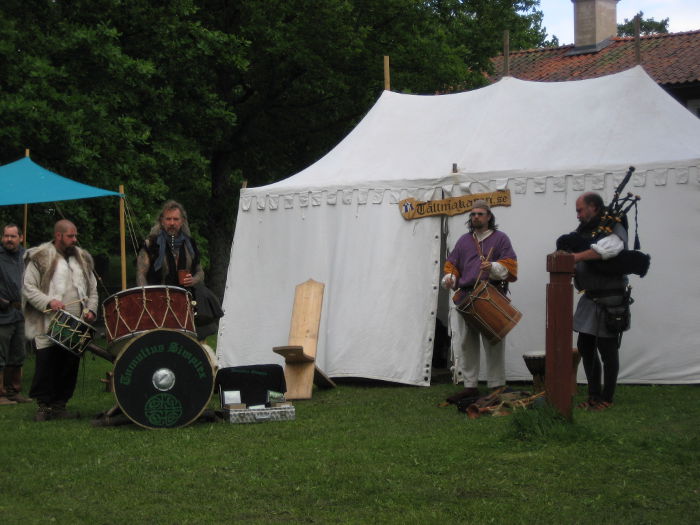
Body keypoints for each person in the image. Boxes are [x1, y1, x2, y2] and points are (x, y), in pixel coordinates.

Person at [441, 200, 518, 400]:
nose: (476, 217)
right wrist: (450, 278)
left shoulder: (501, 239)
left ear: (489, 217)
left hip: (489, 293)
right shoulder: (464, 241)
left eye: (480, 214)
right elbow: (452, 264)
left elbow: (510, 266)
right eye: (473, 214)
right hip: (466, 296)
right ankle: (470, 385)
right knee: (467, 342)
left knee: (494, 340)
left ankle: (496, 385)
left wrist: (492, 267)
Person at [23, 219, 98, 421]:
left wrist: (91, 309)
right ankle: (44, 406)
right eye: (70, 236)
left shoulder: (82, 259)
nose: (75, 239)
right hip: (47, 321)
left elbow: (92, 289)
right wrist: (49, 302)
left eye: (75, 235)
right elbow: (29, 288)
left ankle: (60, 405)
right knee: (47, 364)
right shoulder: (38, 257)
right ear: (58, 236)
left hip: (75, 323)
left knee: (68, 365)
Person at [571, 192, 629, 411]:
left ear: (593, 207)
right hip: (589, 297)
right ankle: (594, 395)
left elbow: (608, 249)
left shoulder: (614, 227)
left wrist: (576, 258)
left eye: (580, 210)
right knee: (585, 346)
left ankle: (607, 397)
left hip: (610, 299)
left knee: (607, 349)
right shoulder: (586, 231)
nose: (577, 215)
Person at [136, 200, 204, 288]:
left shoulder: (190, 244)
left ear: (182, 221)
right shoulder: (150, 244)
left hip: (185, 296)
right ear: (162, 221)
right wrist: (147, 296)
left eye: (176, 219)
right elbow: (141, 274)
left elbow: (200, 272)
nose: (172, 223)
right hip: (158, 296)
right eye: (168, 219)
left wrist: (193, 280)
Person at [0, 224, 31, 405]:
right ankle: (1, 394)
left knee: (18, 353)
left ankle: (13, 391)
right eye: (6, 236)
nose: (8, 240)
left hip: (21, 313)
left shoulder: (26, 256)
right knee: (0, 354)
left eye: (12, 236)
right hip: (2, 313)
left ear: (21, 237)